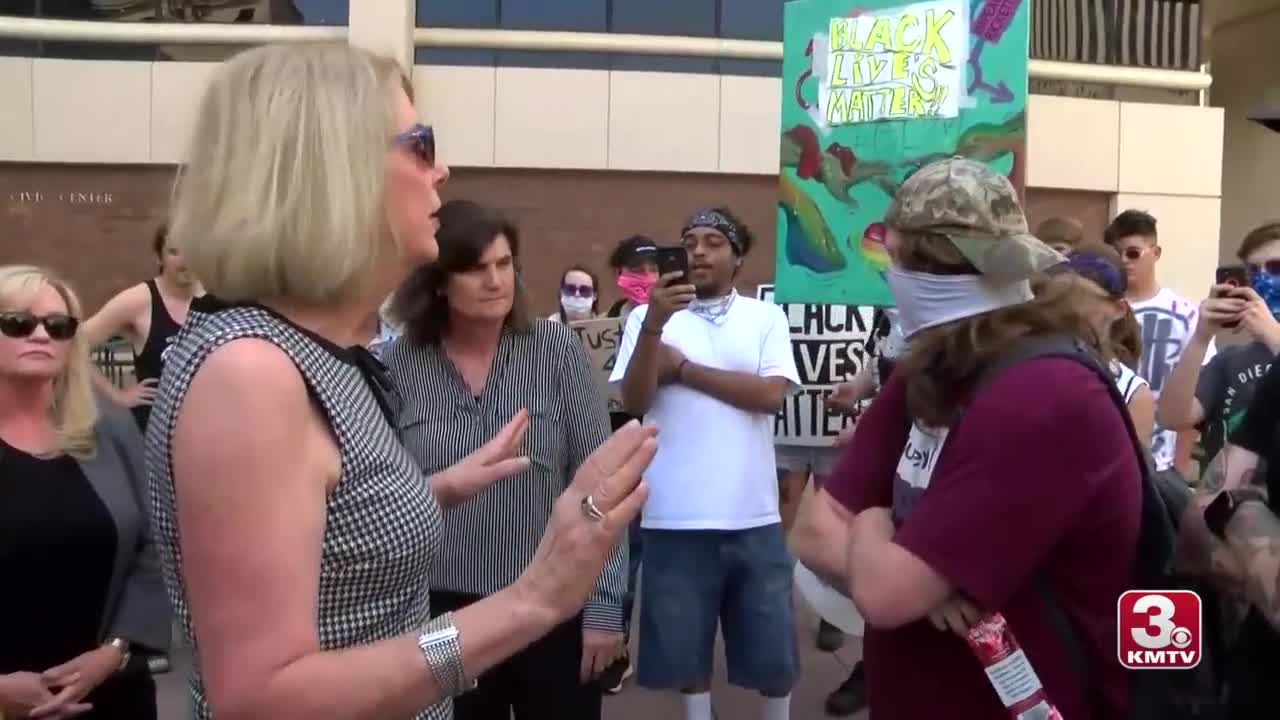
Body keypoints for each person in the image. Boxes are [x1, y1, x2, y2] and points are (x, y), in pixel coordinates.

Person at [145, 43, 654, 720]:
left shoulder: (311, 352)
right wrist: (533, 598)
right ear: (332, 168)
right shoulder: (250, 373)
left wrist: (437, 488)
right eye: (420, 144)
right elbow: (261, 698)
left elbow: (330, 538)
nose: (442, 169)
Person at [820, 158, 1141, 719]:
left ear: (934, 269)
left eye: (894, 261)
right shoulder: (929, 368)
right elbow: (812, 530)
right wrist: (913, 571)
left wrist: (874, 521)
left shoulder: (1045, 397)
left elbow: (884, 593)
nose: (890, 279)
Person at [386, 200, 624, 720]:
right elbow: (384, 498)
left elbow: (601, 481)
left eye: (504, 264)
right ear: (439, 282)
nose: (496, 280)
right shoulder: (397, 365)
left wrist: (604, 604)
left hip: (553, 606)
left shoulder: (555, 350)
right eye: (476, 268)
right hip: (442, 615)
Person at [612, 207, 802, 720]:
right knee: (683, 643)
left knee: (771, 644)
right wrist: (653, 328)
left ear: (738, 257)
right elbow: (633, 399)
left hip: (753, 512)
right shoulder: (644, 319)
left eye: (714, 241)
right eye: (689, 241)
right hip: (674, 513)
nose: (698, 250)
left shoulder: (765, 316)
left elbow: (769, 396)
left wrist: (687, 370)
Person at [0, 265, 170, 720]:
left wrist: (113, 651)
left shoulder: (109, 429)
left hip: (111, 696)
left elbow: (153, 547)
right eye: (17, 323)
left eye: (58, 326)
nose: (41, 335)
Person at [1156, 222, 1280, 484]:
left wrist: (1273, 337)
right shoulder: (1231, 360)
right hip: (1227, 510)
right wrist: (1201, 336)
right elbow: (1172, 416)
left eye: (1276, 268)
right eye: (1254, 270)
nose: (1265, 279)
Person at [1105, 209, 1214, 476]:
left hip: (1162, 464)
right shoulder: (1098, 310)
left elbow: (1198, 393)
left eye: (1133, 253)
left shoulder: (1187, 315)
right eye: (1116, 253)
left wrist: (1179, 464)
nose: (1124, 261)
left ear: (1156, 253)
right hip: (1107, 458)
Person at [597, 234, 658, 694]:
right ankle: (608, 643)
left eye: (653, 268)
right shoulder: (598, 326)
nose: (645, 278)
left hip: (646, 454)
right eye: (635, 269)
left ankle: (626, 649)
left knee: (635, 556)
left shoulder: (668, 324)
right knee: (609, 554)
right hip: (600, 452)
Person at [81, 223, 203, 430]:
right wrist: (117, 397)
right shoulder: (139, 301)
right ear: (159, 258)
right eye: (174, 252)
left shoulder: (219, 296)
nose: (186, 261)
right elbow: (74, 345)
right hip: (156, 433)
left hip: (209, 424)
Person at [1052, 242, 1155, 445]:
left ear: (1118, 309)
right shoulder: (1038, 364)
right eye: (1062, 297)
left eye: (1083, 299)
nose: (1071, 310)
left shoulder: (1132, 392)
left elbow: (1129, 473)